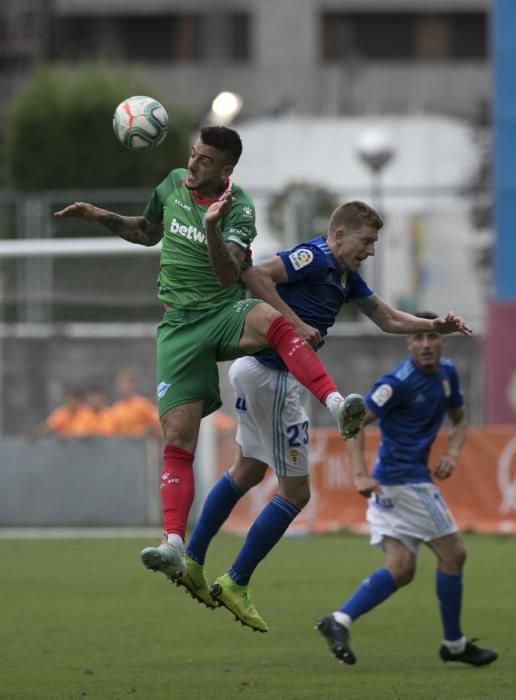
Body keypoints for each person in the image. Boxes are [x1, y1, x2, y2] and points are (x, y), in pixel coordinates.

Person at [54, 126, 364, 588]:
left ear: (226, 170)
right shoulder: (172, 183)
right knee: (178, 438)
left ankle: (337, 405)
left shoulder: (239, 208)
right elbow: (147, 231)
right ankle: (175, 546)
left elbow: (226, 276)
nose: (193, 164)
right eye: (193, 155)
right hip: (178, 326)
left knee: (272, 321)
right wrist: (100, 215)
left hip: (222, 310)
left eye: (204, 160)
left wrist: (213, 227)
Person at [178, 204, 472, 632]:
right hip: (276, 377)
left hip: (255, 371)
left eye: (374, 243)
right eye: (365, 242)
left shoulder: (346, 277)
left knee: (248, 469)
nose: (370, 251)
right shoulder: (313, 256)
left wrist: (437, 326)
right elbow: (255, 274)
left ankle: (193, 557)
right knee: (296, 494)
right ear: (337, 235)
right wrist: (294, 323)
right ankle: (236, 581)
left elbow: (387, 317)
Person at [316, 312, 497, 667]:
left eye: (432, 338)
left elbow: (460, 421)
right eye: (418, 338)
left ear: (443, 340)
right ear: (408, 342)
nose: (426, 345)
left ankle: (338, 621)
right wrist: (358, 475)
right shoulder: (396, 383)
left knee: (400, 568)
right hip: (404, 482)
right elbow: (351, 422)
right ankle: (454, 644)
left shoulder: (447, 374)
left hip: (397, 486)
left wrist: (452, 452)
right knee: (455, 554)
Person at [109, 370, 161, 438]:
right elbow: (112, 431)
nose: (124, 387)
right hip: (123, 445)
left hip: (141, 443)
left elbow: (157, 424)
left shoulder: (142, 404)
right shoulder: (116, 408)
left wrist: (144, 431)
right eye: (122, 384)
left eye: (128, 385)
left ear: (133, 386)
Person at [31, 387, 96, 439]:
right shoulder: (61, 412)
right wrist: (37, 434)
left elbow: (90, 433)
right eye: (67, 400)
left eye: (72, 400)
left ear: (79, 400)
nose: (69, 403)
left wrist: (67, 434)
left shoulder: (89, 413)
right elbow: (49, 426)